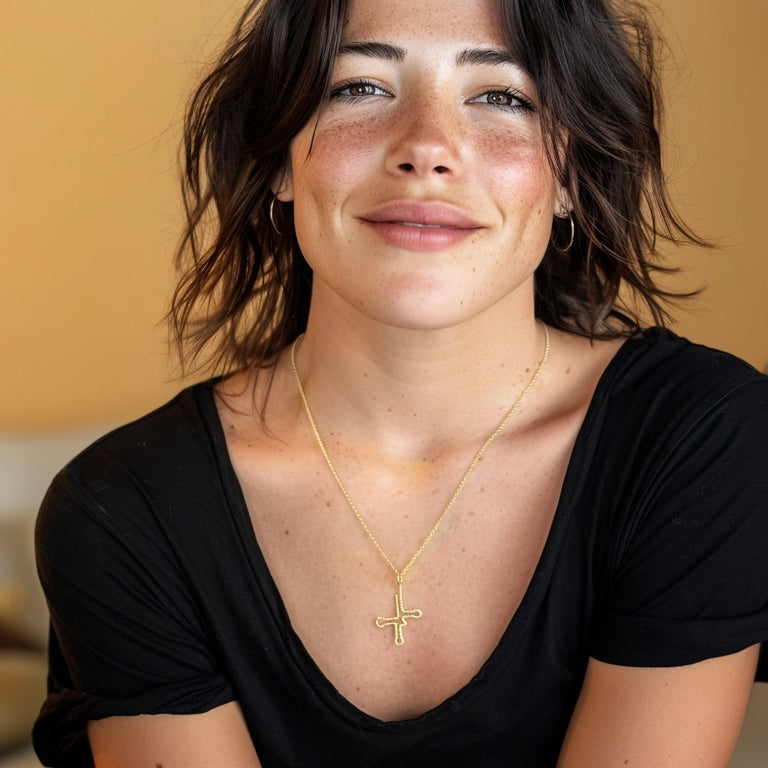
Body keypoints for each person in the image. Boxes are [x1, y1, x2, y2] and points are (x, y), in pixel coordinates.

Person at [33, 0, 768, 765]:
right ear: (278, 157)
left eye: (502, 96)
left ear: (574, 176)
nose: (426, 148)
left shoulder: (703, 439)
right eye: (360, 88)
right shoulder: (122, 512)